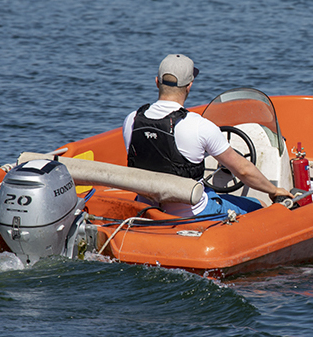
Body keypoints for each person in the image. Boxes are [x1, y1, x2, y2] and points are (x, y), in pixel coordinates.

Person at [123, 54, 294, 218]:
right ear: (189, 85)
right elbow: (243, 170)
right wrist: (274, 190)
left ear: (156, 82)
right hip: (192, 212)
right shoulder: (199, 126)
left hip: (147, 208)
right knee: (258, 205)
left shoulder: (132, 120)